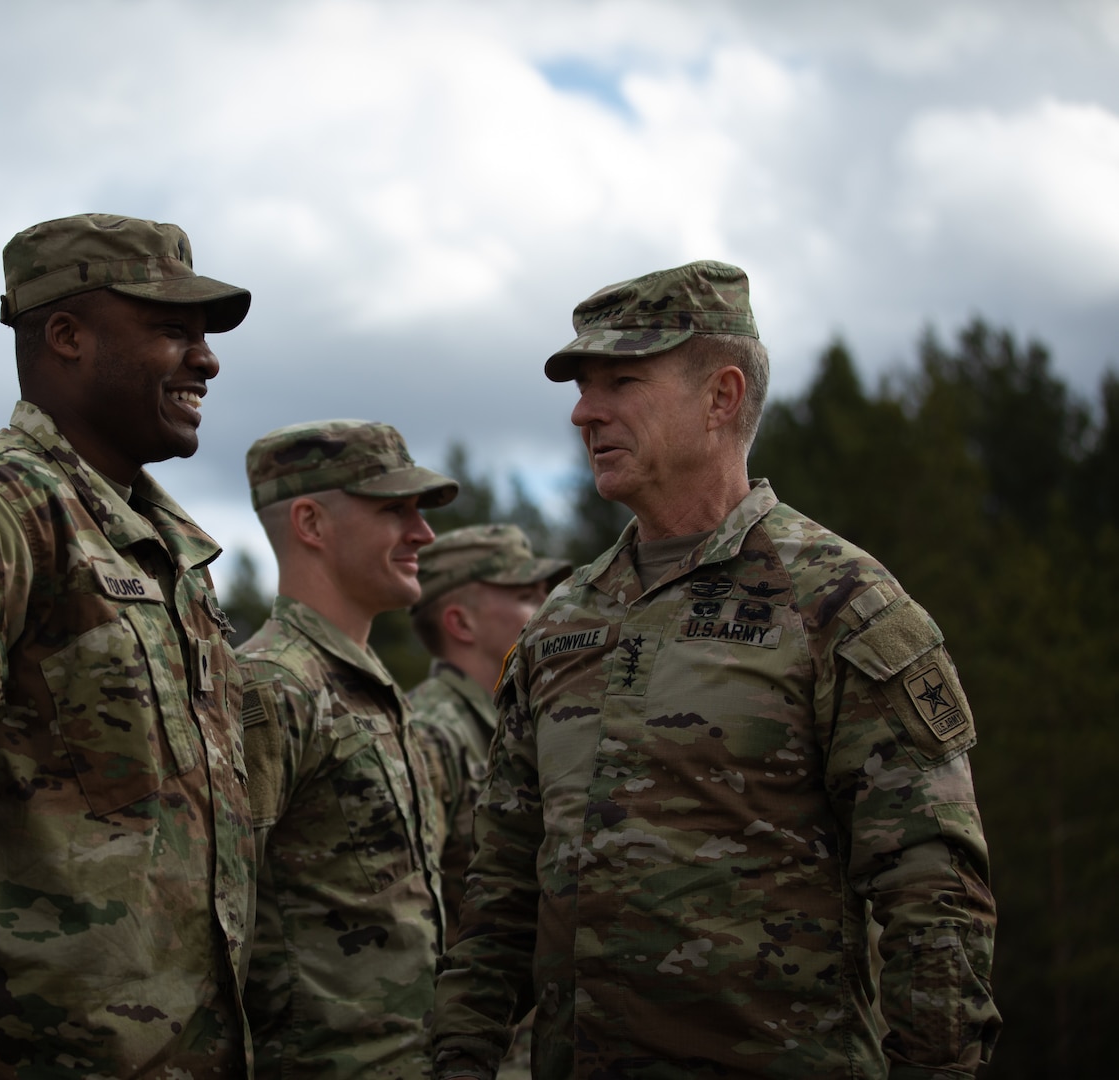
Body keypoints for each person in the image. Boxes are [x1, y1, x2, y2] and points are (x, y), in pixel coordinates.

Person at [432, 261, 1001, 1079]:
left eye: (620, 381)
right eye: (583, 388)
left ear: (721, 397)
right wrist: (460, 1059)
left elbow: (934, 894)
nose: (584, 412)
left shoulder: (840, 604)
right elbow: (501, 894)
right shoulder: (564, 621)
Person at [0, 213, 254, 1078]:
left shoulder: (169, 550)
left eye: (204, 335)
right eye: (170, 330)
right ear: (66, 336)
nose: (207, 359)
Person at [237, 419, 455, 1079]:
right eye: (395, 511)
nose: (424, 534)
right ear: (310, 523)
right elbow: (212, 925)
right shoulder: (271, 688)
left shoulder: (371, 686)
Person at [408, 523, 569, 943]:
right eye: (524, 596)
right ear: (461, 623)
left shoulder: (527, 717)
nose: (549, 606)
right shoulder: (428, 735)